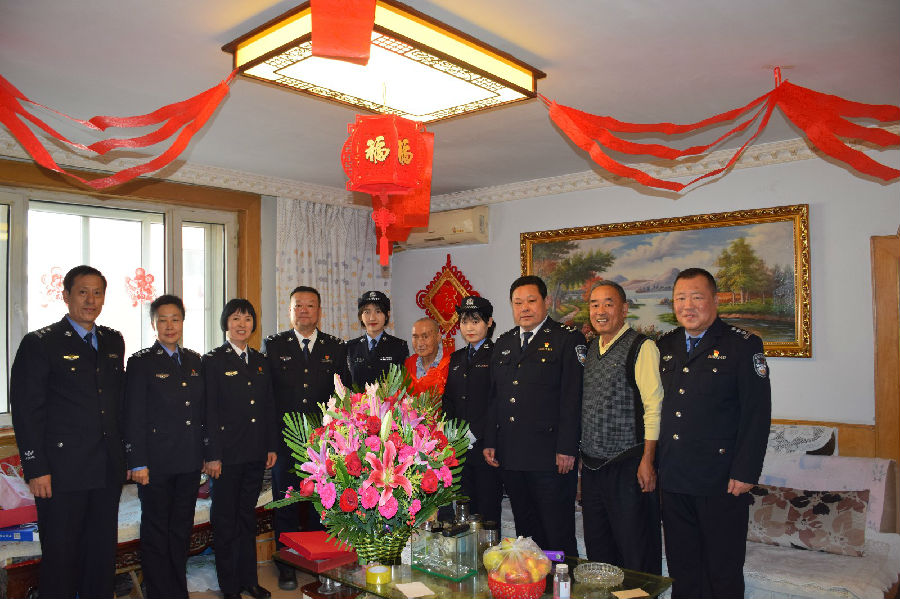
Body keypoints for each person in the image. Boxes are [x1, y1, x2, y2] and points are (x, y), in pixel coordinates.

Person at [10, 264, 126, 599]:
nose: (91, 300)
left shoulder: (112, 340)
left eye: (97, 293)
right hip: (62, 472)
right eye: (82, 292)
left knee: (101, 555)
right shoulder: (40, 343)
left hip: (106, 468)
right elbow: (27, 411)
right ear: (66, 296)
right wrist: (36, 468)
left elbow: (117, 403)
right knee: (61, 557)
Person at [656, 268, 771, 599]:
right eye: (680, 298)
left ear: (715, 300)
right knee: (682, 568)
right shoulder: (665, 344)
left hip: (721, 480)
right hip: (674, 476)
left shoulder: (742, 345)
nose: (687, 306)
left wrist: (746, 471)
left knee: (722, 570)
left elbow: (757, 413)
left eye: (696, 297)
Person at [483, 275, 586, 557]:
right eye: (518, 303)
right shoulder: (504, 342)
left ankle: (563, 580)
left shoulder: (566, 339)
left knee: (557, 531)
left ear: (546, 302)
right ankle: (532, 579)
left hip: (550, 457)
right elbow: (495, 397)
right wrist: (490, 440)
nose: (524, 308)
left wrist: (568, 448)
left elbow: (573, 398)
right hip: (512, 456)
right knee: (525, 533)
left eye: (531, 301)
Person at [262, 286, 350, 591]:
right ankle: (286, 564)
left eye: (310, 305)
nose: (303, 310)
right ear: (289, 311)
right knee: (285, 502)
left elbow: (343, 396)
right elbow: (266, 397)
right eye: (298, 305)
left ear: (319, 312)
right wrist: (269, 443)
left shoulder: (335, 347)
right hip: (285, 442)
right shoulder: (274, 345)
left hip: (321, 444)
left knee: (320, 504)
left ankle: (319, 561)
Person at [124, 294, 206, 599]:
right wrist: (137, 462)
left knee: (181, 530)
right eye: (163, 320)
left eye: (175, 319)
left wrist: (205, 454)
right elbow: (133, 415)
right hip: (155, 464)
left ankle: (177, 590)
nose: (170, 326)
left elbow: (201, 412)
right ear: (153, 324)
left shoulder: (194, 361)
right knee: (156, 531)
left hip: (188, 462)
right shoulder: (141, 362)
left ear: (183, 322)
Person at [579, 281, 662, 574]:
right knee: (599, 551)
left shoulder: (642, 347)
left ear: (624, 309)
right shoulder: (591, 348)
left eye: (608, 303)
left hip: (628, 466)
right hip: (592, 469)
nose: (600, 311)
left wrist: (648, 460)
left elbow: (654, 407)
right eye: (594, 304)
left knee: (634, 550)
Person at [203, 299, 278, 599]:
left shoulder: (260, 361)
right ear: (226, 323)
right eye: (235, 318)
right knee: (225, 521)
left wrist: (270, 445)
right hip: (225, 457)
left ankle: (249, 580)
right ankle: (230, 586)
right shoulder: (213, 361)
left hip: (254, 453)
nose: (242, 324)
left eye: (247, 319)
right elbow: (208, 412)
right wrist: (211, 455)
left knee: (247, 518)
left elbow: (268, 406)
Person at [442, 296, 503, 523]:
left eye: (476, 321)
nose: (469, 327)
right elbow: (449, 400)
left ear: (489, 322)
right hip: (459, 448)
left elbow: (497, 400)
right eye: (465, 321)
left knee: (487, 511)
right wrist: (452, 432)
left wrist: (476, 433)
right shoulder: (456, 358)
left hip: (487, 447)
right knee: (463, 511)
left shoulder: (497, 355)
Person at [347, 290, 408, 387]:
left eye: (378, 311)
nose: (372, 318)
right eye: (367, 312)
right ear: (360, 316)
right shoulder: (350, 347)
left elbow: (402, 383)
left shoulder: (399, 346)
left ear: (387, 315)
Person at [404, 317, 450, 396]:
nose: (420, 343)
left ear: (438, 337)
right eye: (415, 337)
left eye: (425, 337)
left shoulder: (451, 364)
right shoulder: (408, 363)